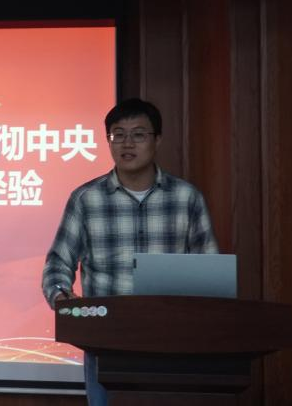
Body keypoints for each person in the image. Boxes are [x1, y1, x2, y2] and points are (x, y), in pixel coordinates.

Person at [41, 97, 219, 406]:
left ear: (157, 140)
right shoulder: (86, 199)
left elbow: (211, 270)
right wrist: (62, 298)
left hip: (172, 340)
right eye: (118, 135)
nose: (127, 143)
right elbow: (57, 265)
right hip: (106, 339)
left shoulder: (186, 198)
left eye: (138, 134)